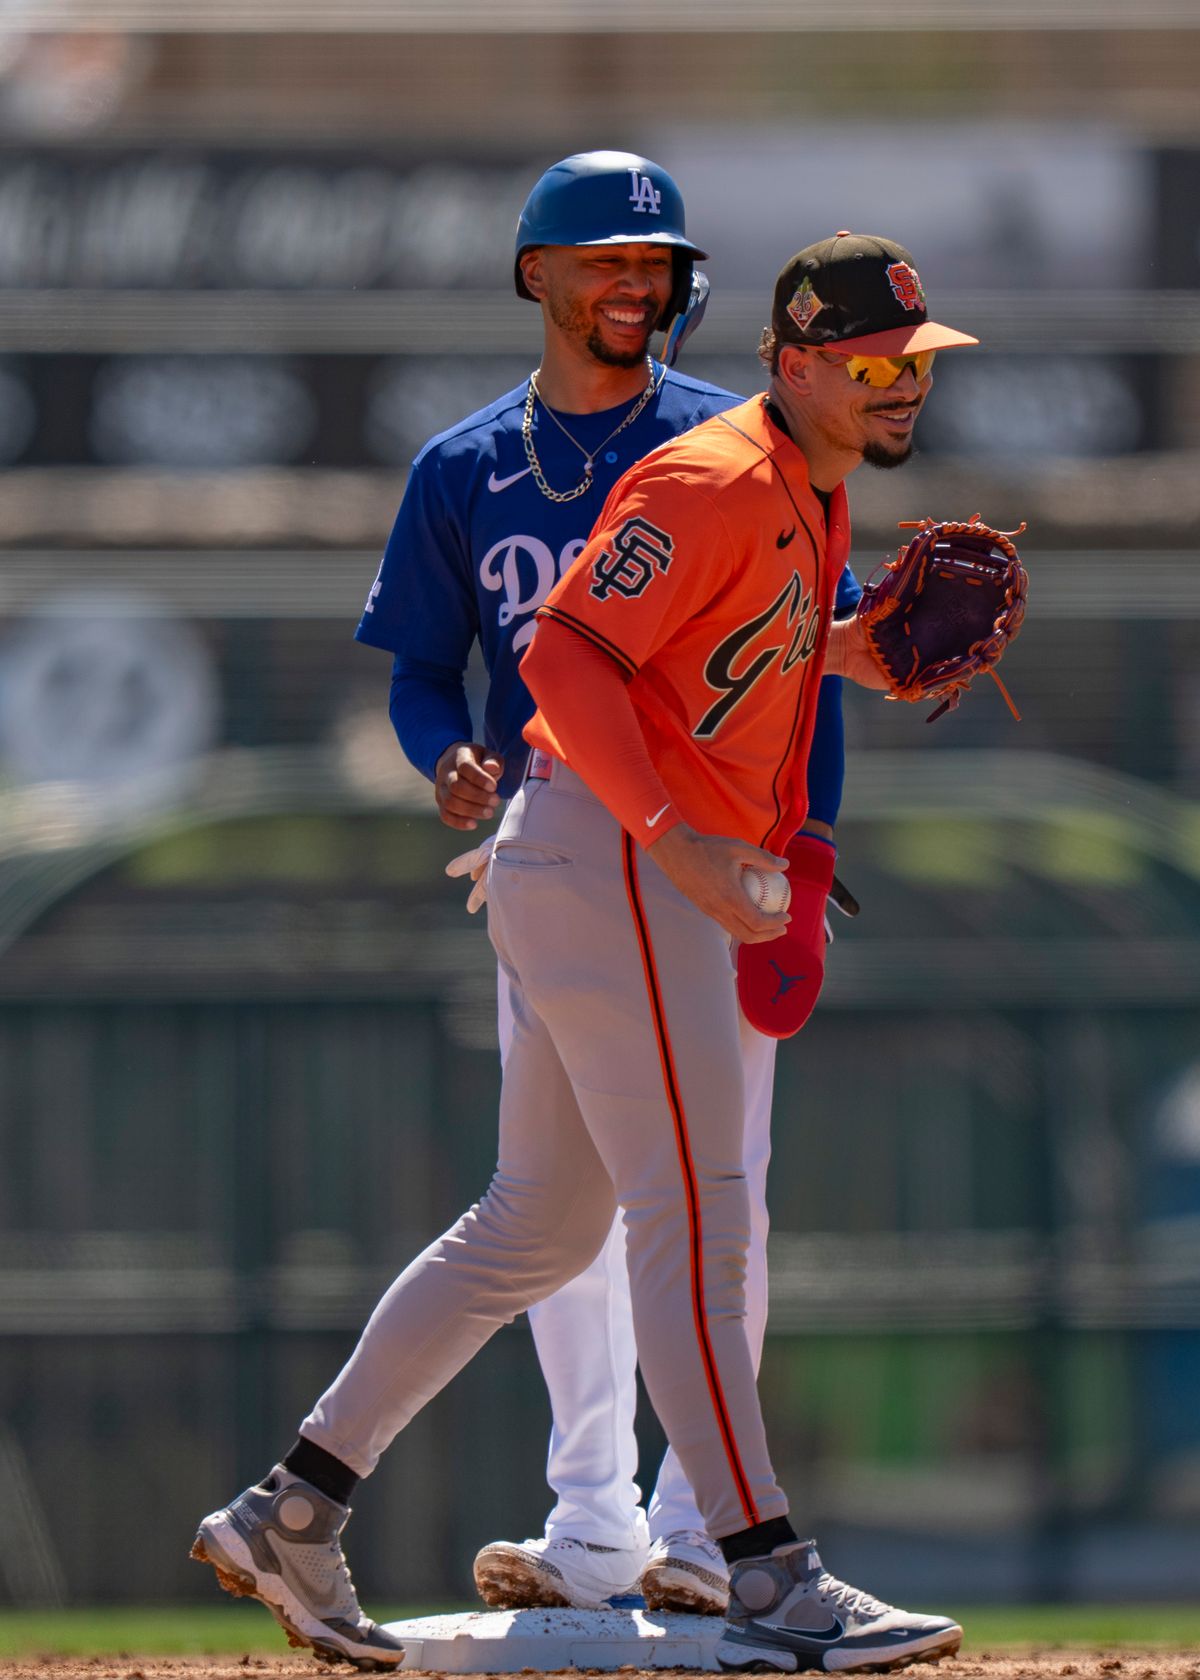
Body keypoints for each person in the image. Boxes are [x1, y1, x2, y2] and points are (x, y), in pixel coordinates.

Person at [192, 224, 970, 1677]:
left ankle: (292, 1505)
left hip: (598, 856)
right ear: (794, 360)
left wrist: (846, 650)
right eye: (872, 363)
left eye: (914, 362)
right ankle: (768, 1570)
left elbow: (713, 657)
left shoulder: (809, 486)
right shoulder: (713, 474)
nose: (901, 387)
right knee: (699, 1210)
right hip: (611, 853)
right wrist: (678, 840)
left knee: (540, 1226)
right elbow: (559, 657)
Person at [366, 149, 858, 1620]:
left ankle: (701, 1535)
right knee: (560, 1208)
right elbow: (417, 673)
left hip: (713, 865)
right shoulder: (461, 468)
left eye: (654, 263)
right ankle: (588, 1519)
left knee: (721, 1200)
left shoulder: (739, 443)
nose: (634, 284)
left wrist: (807, 846)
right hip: (567, 863)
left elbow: (813, 670)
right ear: (539, 273)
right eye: (604, 261)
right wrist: (444, 752)